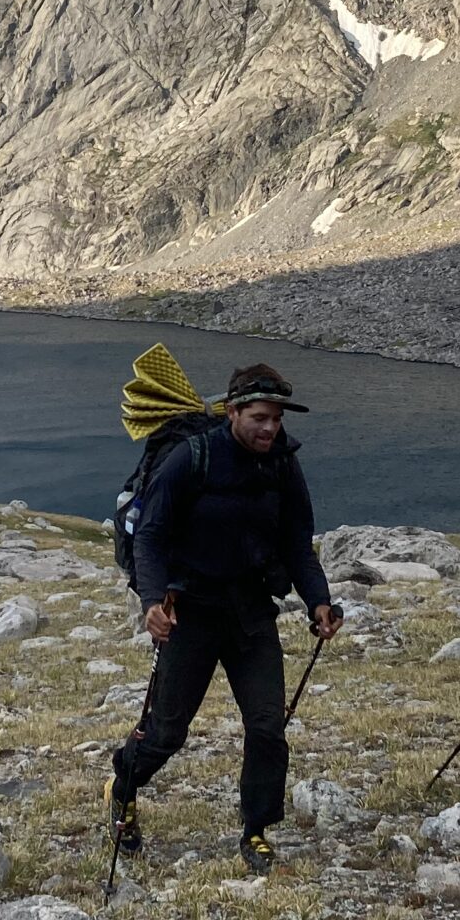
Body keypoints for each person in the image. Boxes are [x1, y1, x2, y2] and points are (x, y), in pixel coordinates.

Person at [109, 363, 343, 874]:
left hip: (252, 611)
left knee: (267, 727)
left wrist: (319, 601)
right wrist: (153, 602)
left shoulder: (283, 463)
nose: (270, 429)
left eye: (277, 419)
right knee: (167, 731)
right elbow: (149, 536)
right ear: (232, 411)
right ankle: (123, 785)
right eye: (260, 417)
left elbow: (296, 542)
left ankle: (256, 829)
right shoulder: (191, 458)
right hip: (189, 612)